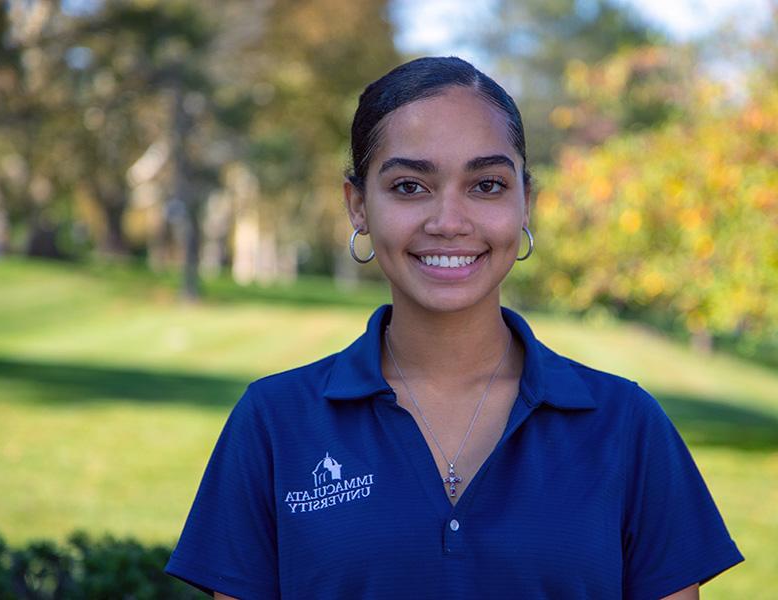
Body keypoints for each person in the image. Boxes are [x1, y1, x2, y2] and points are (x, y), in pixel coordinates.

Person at [164, 56, 744, 600]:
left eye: (487, 184)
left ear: (526, 204)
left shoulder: (627, 426)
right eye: (409, 186)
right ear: (358, 205)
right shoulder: (272, 423)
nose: (449, 222)